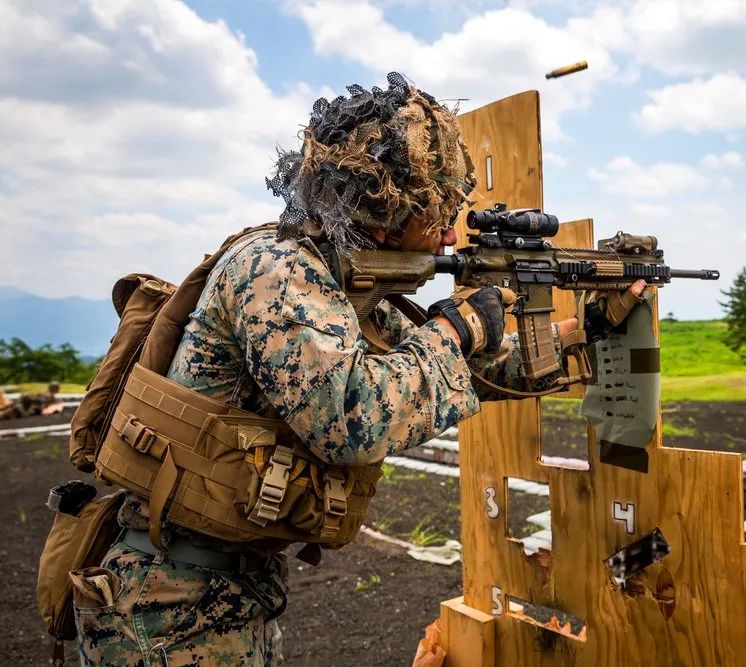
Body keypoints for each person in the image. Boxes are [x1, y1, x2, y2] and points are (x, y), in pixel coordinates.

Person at [73, 73, 643, 665]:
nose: (450, 232)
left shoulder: (343, 288)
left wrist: (590, 327)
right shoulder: (277, 270)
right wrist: (458, 327)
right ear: (384, 207)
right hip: (168, 605)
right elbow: (351, 419)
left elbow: (469, 373)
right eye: (437, 211)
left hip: (221, 590)